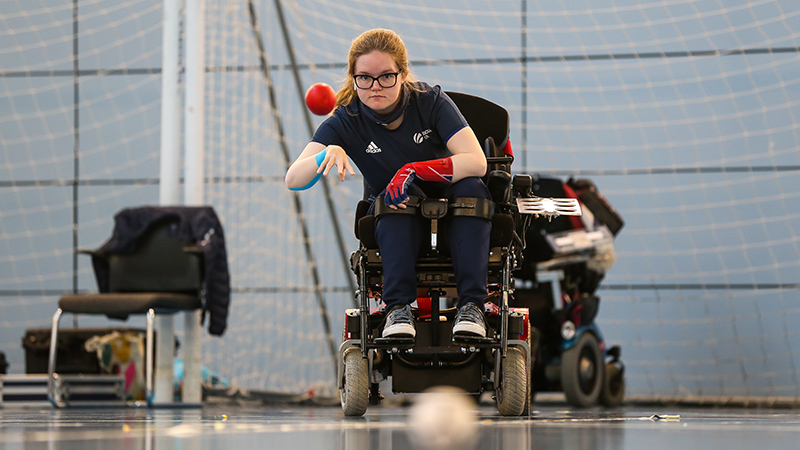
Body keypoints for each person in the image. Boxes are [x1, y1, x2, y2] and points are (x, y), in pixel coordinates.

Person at [285, 28, 491, 341]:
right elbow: (293, 179)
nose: (375, 86)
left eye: (386, 77)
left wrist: (414, 169)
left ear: (403, 73)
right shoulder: (346, 119)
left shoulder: (430, 101)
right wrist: (327, 152)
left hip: (452, 215)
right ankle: (398, 309)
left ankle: (472, 308)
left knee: (473, 188)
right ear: (354, 77)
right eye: (364, 77)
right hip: (398, 219)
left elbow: (477, 161)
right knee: (397, 195)